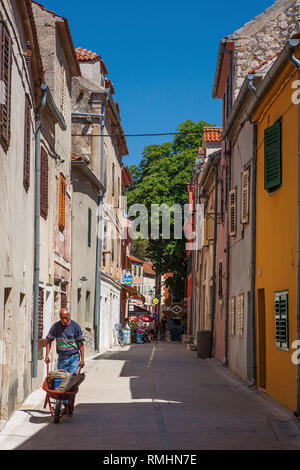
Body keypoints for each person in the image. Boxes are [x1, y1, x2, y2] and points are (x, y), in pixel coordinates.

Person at [45, 308, 85, 374]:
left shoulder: (75, 327)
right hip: (62, 358)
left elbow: (81, 344)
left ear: (69, 316)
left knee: (72, 380)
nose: (63, 320)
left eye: (65, 317)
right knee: (61, 380)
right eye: (61, 318)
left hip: (74, 357)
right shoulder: (55, 327)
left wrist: (82, 359)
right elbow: (49, 341)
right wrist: (47, 355)